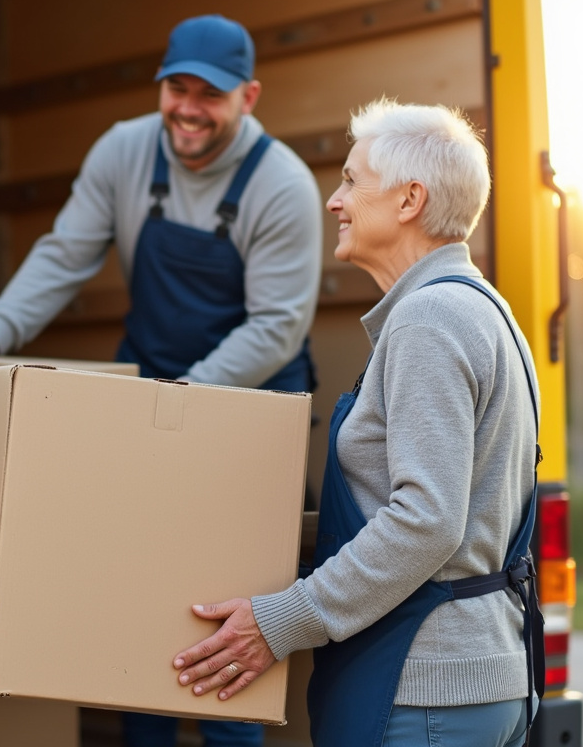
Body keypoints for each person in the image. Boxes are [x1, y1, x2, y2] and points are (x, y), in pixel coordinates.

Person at [169, 98, 545, 747]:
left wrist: (278, 621)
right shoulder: (486, 310)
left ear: (409, 201)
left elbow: (426, 521)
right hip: (475, 685)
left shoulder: (430, 321)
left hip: (425, 690)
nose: (334, 201)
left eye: (350, 180)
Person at [0, 14, 322, 401]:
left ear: (248, 98)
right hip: (151, 376)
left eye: (211, 94)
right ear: (160, 81)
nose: (189, 110)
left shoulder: (283, 185)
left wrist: (182, 399)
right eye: (176, 88)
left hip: (255, 396)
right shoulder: (122, 150)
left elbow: (275, 327)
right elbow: (63, 256)